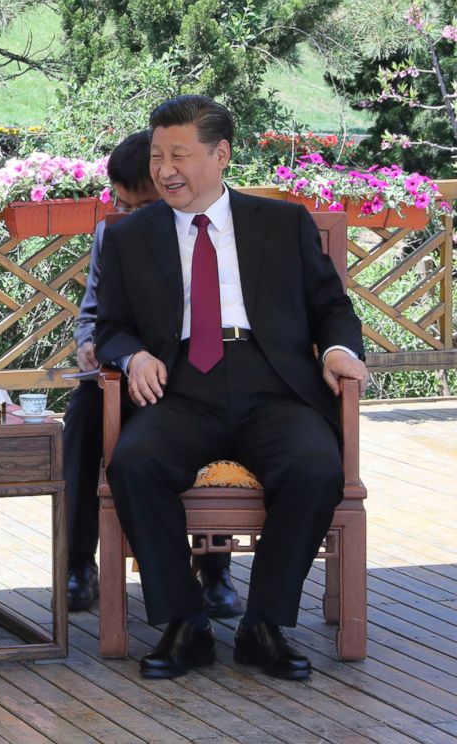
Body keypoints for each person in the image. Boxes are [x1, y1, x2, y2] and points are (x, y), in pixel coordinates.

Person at [95, 96, 368, 681]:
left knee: (317, 467)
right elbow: (108, 326)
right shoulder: (129, 237)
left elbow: (332, 308)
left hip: (273, 382)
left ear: (220, 155)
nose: (165, 168)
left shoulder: (282, 222)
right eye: (157, 154)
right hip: (181, 385)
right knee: (134, 464)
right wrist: (132, 353)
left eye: (179, 155)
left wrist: (342, 351)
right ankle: (185, 624)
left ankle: (263, 624)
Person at [64, 132, 242, 620]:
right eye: (118, 204)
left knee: (220, 403)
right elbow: (92, 312)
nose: (126, 216)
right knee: (81, 415)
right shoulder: (112, 233)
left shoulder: (211, 229)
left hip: (191, 375)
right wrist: (88, 344)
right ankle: (78, 561)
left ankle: (215, 567)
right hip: (125, 372)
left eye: (138, 205)